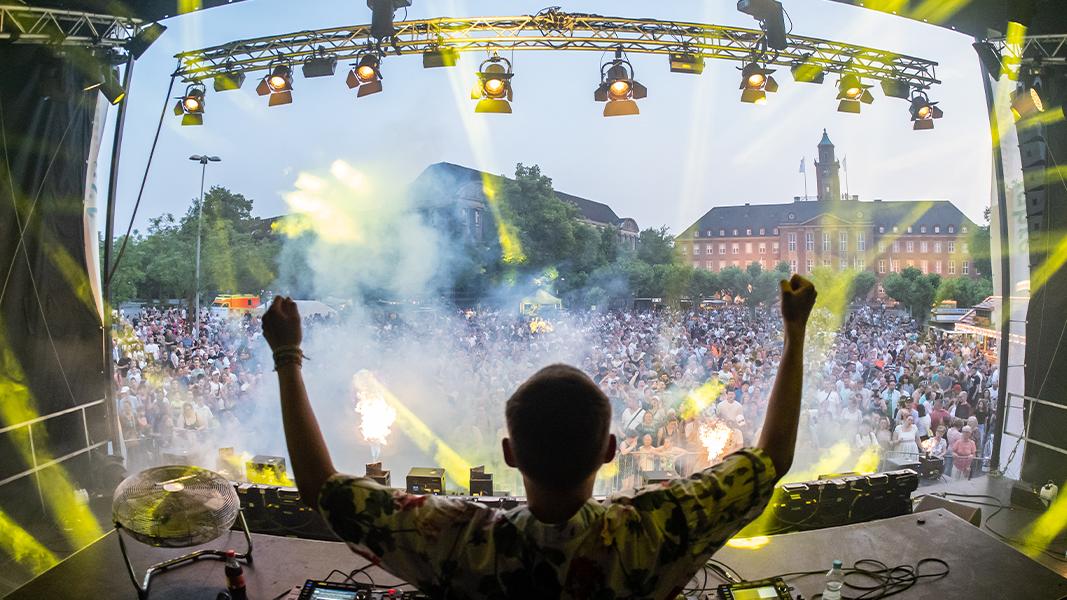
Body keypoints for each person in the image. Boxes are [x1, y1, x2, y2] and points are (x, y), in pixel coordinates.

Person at [261, 275, 817, 598]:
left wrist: (288, 357)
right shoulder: (655, 529)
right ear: (609, 450)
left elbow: (321, 487)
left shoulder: (457, 541)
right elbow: (773, 456)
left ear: (508, 454)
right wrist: (795, 331)